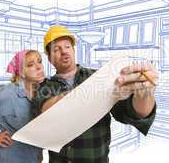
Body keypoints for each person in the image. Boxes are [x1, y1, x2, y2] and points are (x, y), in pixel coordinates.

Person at [33, 25, 158, 163]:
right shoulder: (44, 87)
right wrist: (94, 91)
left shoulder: (101, 77)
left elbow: (136, 114)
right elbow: (48, 112)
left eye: (68, 47)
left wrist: (145, 92)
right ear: (50, 58)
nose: (64, 51)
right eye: (56, 49)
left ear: (74, 50)